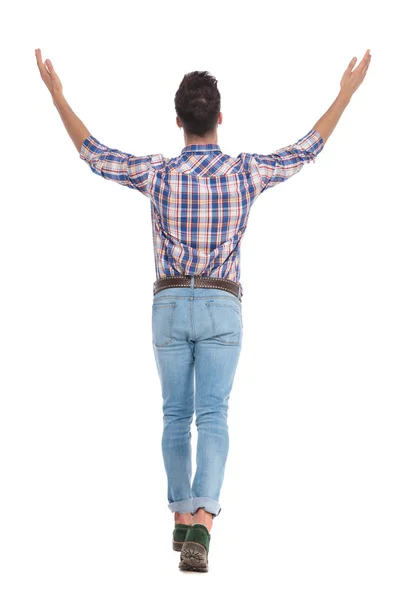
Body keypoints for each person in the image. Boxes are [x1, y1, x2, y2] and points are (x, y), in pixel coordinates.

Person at [35, 48, 371, 573]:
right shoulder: (245, 173)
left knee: (174, 414)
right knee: (213, 414)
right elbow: (306, 149)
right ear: (219, 117)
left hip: (169, 303)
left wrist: (57, 96)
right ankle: (203, 524)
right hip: (221, 305)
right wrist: (345, 94)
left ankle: (178, 519)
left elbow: (93, 152)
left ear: (178, 121)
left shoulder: (158, 174)